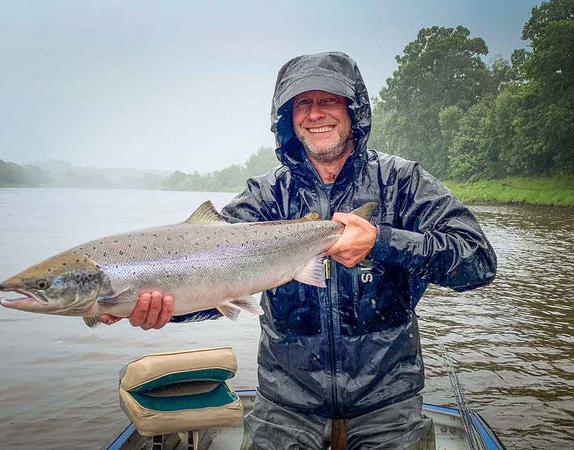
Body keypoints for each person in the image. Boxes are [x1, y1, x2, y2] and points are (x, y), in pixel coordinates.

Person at [102, 51, 497, 449]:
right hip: (286, 404)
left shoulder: (402, 181)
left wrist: (382, 242)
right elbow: (219, 287)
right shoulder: (266, 196)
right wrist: (164, 308)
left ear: (353, 109)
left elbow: (478, 260)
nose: (315, 113)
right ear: (287, 119)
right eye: (302, 104)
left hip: (388, 404)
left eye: (328, 100)